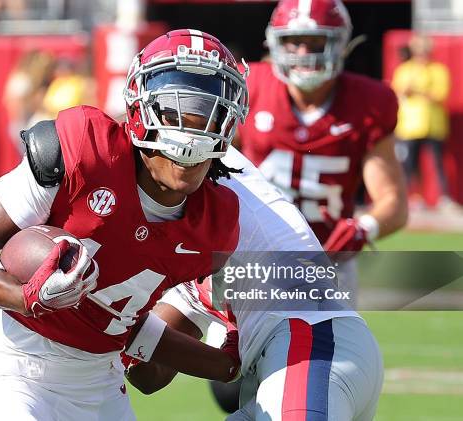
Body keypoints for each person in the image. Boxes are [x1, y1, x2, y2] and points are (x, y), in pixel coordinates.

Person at [0, 29, 251, 421]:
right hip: (16, 374)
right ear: (142, 110)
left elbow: (144, 364)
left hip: (102, 389)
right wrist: (25, 297)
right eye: (178, 111)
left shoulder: (217, 224)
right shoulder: (82, 152)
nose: (192, 128)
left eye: (207, 113)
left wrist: (234, 363)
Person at [211, 0, 408, 412]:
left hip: (328, 262)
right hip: (253, 260)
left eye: (314, 41)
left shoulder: (368, 101)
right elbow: (215, 167)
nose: (304, 53)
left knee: (313, 374)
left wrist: (362, 228)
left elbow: (393, 202)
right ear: (274, 44)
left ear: (341, 44)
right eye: (294, 41)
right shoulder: (254, 88)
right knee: (230, 383)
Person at [124, 145, 383, 421]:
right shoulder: (190, 254)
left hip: (311, 347)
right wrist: (117, 321)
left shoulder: (226, 197)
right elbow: (150, 375)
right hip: (288, 364)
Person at [391, 34, 457, 211]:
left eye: (425, 50)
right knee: (410, 164)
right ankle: (414, 198)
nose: (422, 54)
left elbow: (440, 94)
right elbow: (399, 92)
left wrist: (418, 91)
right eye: (419, 51)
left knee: (439, 164)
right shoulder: (405, 70)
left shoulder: (439, 70)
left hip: (434, 125)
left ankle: (444, 199)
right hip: (410, 126)